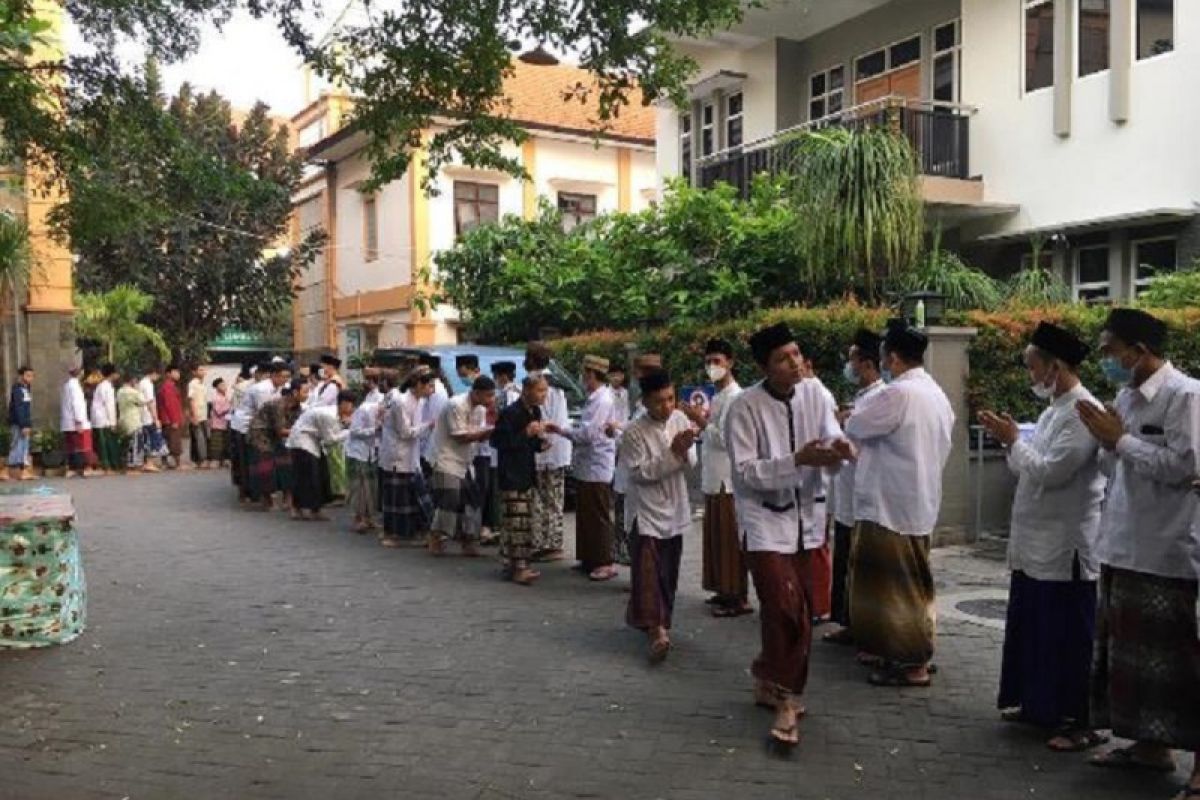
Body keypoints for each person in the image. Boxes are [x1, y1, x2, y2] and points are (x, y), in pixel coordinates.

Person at [1074, 308, 1200, 788]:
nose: (1106, 360)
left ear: (1140, 351)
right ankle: (1149, 747)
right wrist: (1109, 445)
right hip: (1123, 543)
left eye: (1110, 351)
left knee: (1172, 661)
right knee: (1130, 657)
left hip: (1168, 551)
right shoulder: (1124, 397)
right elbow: (1116, 469)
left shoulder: (1184, 396)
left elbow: (1184, 469)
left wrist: (1121, 442)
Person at [977, 322, 1107, 752]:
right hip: (1035, 540)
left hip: (1065, 543)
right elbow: (1027, 466)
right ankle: (1038, 704)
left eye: (1034, 368)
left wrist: (1014, 441)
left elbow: (1053, 471)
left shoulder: (1083, 412)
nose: (1030, 376)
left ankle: (1075, 718)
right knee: (1033, 627)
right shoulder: (1054, 410)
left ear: (1056, 367)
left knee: (1066, 632)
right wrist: (1012, 442)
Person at [725, 321, 851, 747]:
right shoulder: (744, 407)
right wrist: (796, 460)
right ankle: (787, 700)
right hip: (763, 524)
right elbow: (744, 473)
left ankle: (768, 676)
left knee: (801, 607)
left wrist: (839, 448)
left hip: (807, 521)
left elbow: (830, 435)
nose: (795, 363)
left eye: (797, 353)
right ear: (765, 366)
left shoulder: (816, 393)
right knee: (785, 606)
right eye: (783, 358)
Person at [844, 320, 954, 688]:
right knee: (910, 582)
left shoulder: (898, 394)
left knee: (898, 588)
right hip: (916, 500)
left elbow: (856, 426)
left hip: (890, 504)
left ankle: (912, 661)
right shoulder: (935, 392)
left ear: (892, 357)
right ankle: (900, 650)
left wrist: (847, 418)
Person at [622, 368, 696, 662]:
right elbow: (639, 473)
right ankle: (657, 630)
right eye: (658, 402)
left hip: (674, 505)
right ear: (644, 402)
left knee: (669, 569)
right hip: (647, 511)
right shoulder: (633, 431)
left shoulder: (679, 419)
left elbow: (691, 462)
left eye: (670, 399)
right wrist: (673, 453)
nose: (666, 407)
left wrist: (683, 451)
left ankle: (662, 620)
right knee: (649, 571)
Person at [824, 329, 886, 646]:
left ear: (865, 363)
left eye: (852, 359)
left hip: (865, 498)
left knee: (860, 568)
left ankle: (865, 628)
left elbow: (875, 450)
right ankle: (848, 624)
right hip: (847, 494)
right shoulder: (863, 398)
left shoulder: (881, 398)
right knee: (846, 562)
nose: (848, 366)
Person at [678, 339, 747, 617]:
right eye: (708, 362)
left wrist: (701, 420)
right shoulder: (717, 396)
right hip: (713, 475)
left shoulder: (735, 398)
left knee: (729, 539)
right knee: (716, 538)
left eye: (717, 361)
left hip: (727, 479)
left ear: (730, 363)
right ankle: (722, 588)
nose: (712, 367)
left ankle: (737, 596)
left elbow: (727, 439)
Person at [552, 355, 619, 581]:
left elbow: (588, 434)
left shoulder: (603, 400)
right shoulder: (594, 398)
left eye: (584, 374)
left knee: (598, 515)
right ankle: (589, 557)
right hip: (586, 464)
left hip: (597, 463)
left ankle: (604, 561)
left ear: (591, 375)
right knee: (586, 514)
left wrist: (562, 431)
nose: (582, 378)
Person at [491, 374, 551, 586]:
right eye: (540, 390)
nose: (544, 395)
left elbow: (529, 444)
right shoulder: (510, 413)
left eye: (545, 391)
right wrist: (525, 433)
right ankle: (518, 567)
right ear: (527, 390)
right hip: (511, 473)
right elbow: (498, 441)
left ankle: (514, 563)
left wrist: (540, 443)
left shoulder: (534, 411)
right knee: (516, 522)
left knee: (525, 521)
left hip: (526, 472)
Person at [428, 375, 496, 557]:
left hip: (466, 459)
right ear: (477, 393)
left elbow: (477, 435)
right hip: (445, 456)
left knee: (473, 499)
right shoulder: (455, 405)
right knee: (450, 496)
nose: (491, 400)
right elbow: (460, 436)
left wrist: (487, 433)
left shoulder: (480, 410)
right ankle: (437, 536)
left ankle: (468, 539)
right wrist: (489, 431)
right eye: (488, 395)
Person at [610, 354, 662, 567]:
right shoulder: (641, 403)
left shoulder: (650, 407)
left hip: (642, 477)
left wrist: (616, 432)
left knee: (637, 528)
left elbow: (633, 440)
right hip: (633, 474)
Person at [378, 368, 436, 548]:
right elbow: (405, 432)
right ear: (419, 385)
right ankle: (394, 535)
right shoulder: (401, 401)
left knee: (413, 496)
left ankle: (412, 532)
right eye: (430, 386)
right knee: (398, 498)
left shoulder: (417, 401)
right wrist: (428, 426)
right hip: (398, 455)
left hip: (411, 455)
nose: (432, 390)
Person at [799, 355, 837, 624]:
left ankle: (820, 605)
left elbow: (832, 437)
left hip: (819, 481)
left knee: (818, 547)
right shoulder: (799, 392)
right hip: (803, 480)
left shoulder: (819, 394)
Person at [527, 342, 571, 562]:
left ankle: (548, 543)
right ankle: (548, 541)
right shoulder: (556, 380)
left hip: (545, 444)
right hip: (554, 446)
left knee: (543, 497)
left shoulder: (539, 381)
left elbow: (542, 414)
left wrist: (541, 437)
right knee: (551, 497)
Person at [286, 390, 355, 522]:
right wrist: (350, 431)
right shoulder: (328, 415)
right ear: (344, 404)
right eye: (351, 405)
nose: (352, 409)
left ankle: (315, 508)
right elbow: (330, 440)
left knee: (321, 474)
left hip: (312, 441)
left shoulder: (334, 414)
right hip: (302, 440)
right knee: (309, 476)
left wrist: (345, 426)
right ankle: (298, 508)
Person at [457, 354, 498, 545]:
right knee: (472, 493)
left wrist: (484, 433)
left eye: (463, 372)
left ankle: (479, 529)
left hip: (482, 452)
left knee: (480, 492)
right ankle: (469, 532)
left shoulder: (483, 399)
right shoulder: (463, 400)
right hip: (472, 451)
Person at [249, 379, 308, 512]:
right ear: (295, 392)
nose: (307, 395)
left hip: (277, 434)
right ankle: (267, 499)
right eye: (305, 392)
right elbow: (281, 430)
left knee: (287, 462)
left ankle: (288, 498)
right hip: (261, 433)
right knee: (265, 464)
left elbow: (295, 426)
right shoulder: (278, 405)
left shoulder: (298, 407)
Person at [347, 387, 383, 533]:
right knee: (358, 488)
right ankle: (357, 519)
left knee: (371, 487)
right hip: (357, 452)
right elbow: (354, 431)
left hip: (371, 453)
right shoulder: (365, 410)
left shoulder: (381, 414)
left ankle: (369, 518)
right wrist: (374, 430)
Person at [313, 354, 348, 499]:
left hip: (332, 422)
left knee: (335, 459)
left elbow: (321, 403)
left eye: (323, 366)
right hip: (330, 420)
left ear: (331, 367)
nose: (322, 369)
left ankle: (340, 492)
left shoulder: (333, 385)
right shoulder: (328, 383)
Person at [60, 364, 97, 478]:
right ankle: (86, 468)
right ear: (80, 373)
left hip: (68, 421)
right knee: (83, 446)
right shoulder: (75, 387)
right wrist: (79, 421)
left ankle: (72, 468)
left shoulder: (67, 385)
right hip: (77, 421)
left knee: (72, 446)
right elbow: (77, 404)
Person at [90, 363, 122, 474]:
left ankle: (107, 466)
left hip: (100, 419)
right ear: (112, 374)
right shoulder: (106, 387)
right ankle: (107, 467)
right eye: (116, 373)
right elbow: (110, 406)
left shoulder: (102, 385)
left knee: (103, 444)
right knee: (106, 445)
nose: (118, 375)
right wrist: (113, 422)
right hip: (104, 420)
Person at [156, 364, 186, 470]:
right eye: (175, 371)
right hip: (170, 419)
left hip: (166, 419)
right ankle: (178, 464)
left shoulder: (168, 386)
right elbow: (170, 404)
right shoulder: (168, 386)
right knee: (174, 441)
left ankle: (164, 463)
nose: (178, 374)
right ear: (168, 374)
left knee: (166, 440)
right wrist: (175, 420)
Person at [116, 374, 149, 470]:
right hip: (134, 420)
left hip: (123, 419)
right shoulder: (133, 392)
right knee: (136, 443)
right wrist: (137, 389)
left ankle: (126, 463)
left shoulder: (120, 391)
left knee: (127, 443)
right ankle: (134, 465)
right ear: (132, 381)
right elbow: (143, 401)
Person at [7, 365, 34, 481]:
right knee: (17, 446)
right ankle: (9, 471)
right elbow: (19, 408)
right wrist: (24, 425)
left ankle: (23, 471)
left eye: (32, 376)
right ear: (21, 376)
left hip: (23, 423)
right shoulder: (18, 389)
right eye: (28, 375)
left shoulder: (25, 389)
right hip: (18, 423)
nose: (30, 378)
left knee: (23, 447)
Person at [138, 366, 163, 473]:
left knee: (145, 439)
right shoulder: (148, 384)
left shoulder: (141, 383)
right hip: (148, 416)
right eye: (157, 375)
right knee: (152, 439)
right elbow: (150, 402)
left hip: (142, 416)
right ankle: (149, 463)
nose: (157, 377)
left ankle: (145, 462)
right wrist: (156, 418)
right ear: (153, 373)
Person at [187, 364, 211, 469]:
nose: (203, 372)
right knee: (199, 438)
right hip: (197, 415)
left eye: (203, 370)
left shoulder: (203, 385)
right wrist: (194, 415)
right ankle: (202, 460)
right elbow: (191, 399)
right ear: (195, 372)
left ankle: (199, 460)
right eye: (200, 370)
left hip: (204, 414)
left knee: (204, 437)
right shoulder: (193, 384)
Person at [209, 377, 233, 468]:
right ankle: (215, 460)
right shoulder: (216, 398)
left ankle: (225, 460)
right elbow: (218, 411)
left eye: (225, 384)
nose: (225, 386)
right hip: (217, 424)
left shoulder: (225, 396)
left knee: (226, 442)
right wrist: (229, 405)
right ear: (217, 387)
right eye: (222, 385)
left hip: (226, 424)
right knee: (217, 443)